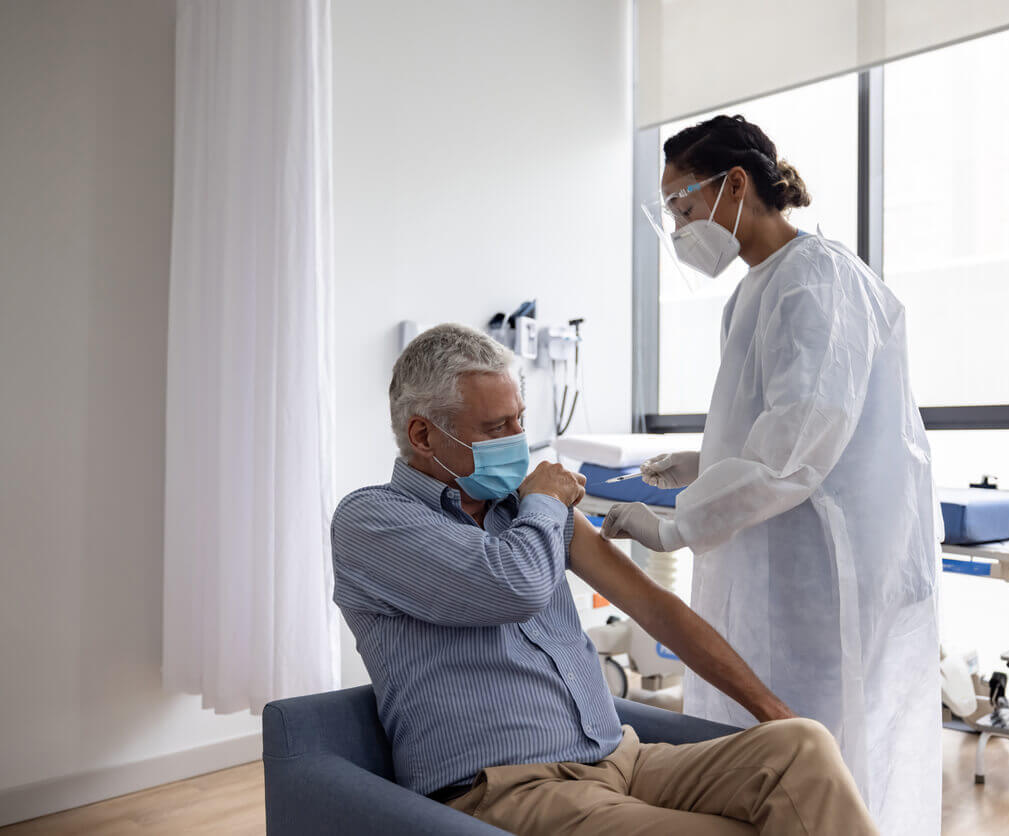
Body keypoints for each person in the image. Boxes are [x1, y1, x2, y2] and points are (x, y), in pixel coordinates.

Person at [331, 323, 878, 836]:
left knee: (802, 747)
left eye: (521, 420)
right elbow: (512, 586)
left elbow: (657, 610)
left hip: (623, 757)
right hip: (508, 786)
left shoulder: (523, 513)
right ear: (423, 435)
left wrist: (774, 716)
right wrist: (544, 502)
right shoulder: (373, 521)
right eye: (496, 428)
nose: (519, 441)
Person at [600, 115, 941, 835]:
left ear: (734, 184)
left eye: (683, 204)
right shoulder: (751, 292)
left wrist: (674, 524)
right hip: (774, 564)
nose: (679, 225)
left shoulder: (817, 279)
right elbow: (775, 424)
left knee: (819, 745)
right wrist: (707, 462)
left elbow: (797, 447)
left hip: (827, 578)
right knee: (756, 745)